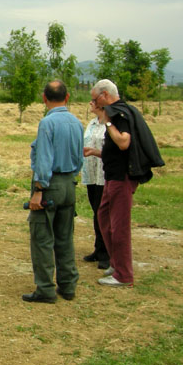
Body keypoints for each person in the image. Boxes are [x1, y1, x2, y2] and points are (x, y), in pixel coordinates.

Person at [84, 79, 164, 287]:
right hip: (112, 176)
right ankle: (116, 263)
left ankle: (124, 275)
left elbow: (123, 142)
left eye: (95, 99)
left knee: (119, 227)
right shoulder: (117, 112)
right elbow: (116, 151)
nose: (93, 103)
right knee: (104, 218)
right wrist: (95, 152)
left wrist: (107, 120)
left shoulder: (118, 113)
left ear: (104, 95)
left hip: (122, 179)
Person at [22, 80, 83, 303]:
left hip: (50, 186)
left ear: (43, 98)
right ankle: (68, 285)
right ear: (67, 98)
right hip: (69, 183)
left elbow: (44, 159)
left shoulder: (47, 123)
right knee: (65, 238)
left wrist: (39, 189)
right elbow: (79, 157)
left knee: (42, 238)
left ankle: (45, 288)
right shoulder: (77, 123)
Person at [81, 98, 110, 270]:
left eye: (93, 101)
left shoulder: (110, 124)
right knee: (95, 211)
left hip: (104, 174)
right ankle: (99, 249)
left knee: (103, 213)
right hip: (91, 173)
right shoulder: (92, 123)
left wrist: (95, 152)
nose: (90, 103)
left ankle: (107, 252)